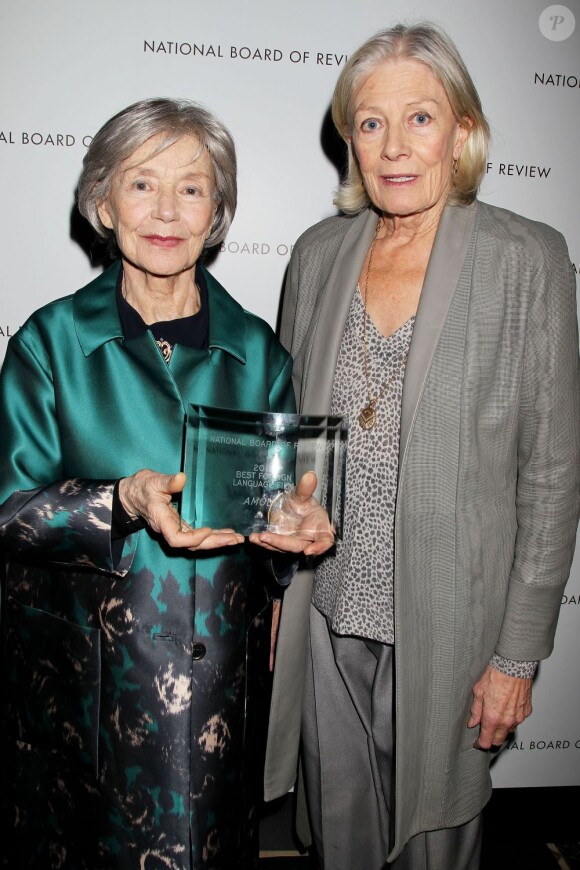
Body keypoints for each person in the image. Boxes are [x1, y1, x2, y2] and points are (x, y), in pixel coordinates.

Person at [264, 22, 580, 870]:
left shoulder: (530, 260)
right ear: (349, 138)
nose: (394, 146)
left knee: (435, 847)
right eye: (371, 122)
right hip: (328, 613)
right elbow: (294, 447)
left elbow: (551, 479)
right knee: (341, 842)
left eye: (420, 118)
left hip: (450, 628)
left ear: (462, 131)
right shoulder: (318, 255)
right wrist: (277, 588)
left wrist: (516, 656)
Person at [0, 97, 332, 870]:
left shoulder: (260, 353)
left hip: (222, 696)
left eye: (192, 187)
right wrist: (121, 500)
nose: (167, 210)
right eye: (142, 184)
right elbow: (9, 511)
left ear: (217, 210)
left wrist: (296, 536)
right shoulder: (49, 344)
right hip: (90, 703)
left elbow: (268, 535)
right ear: (103, 202)